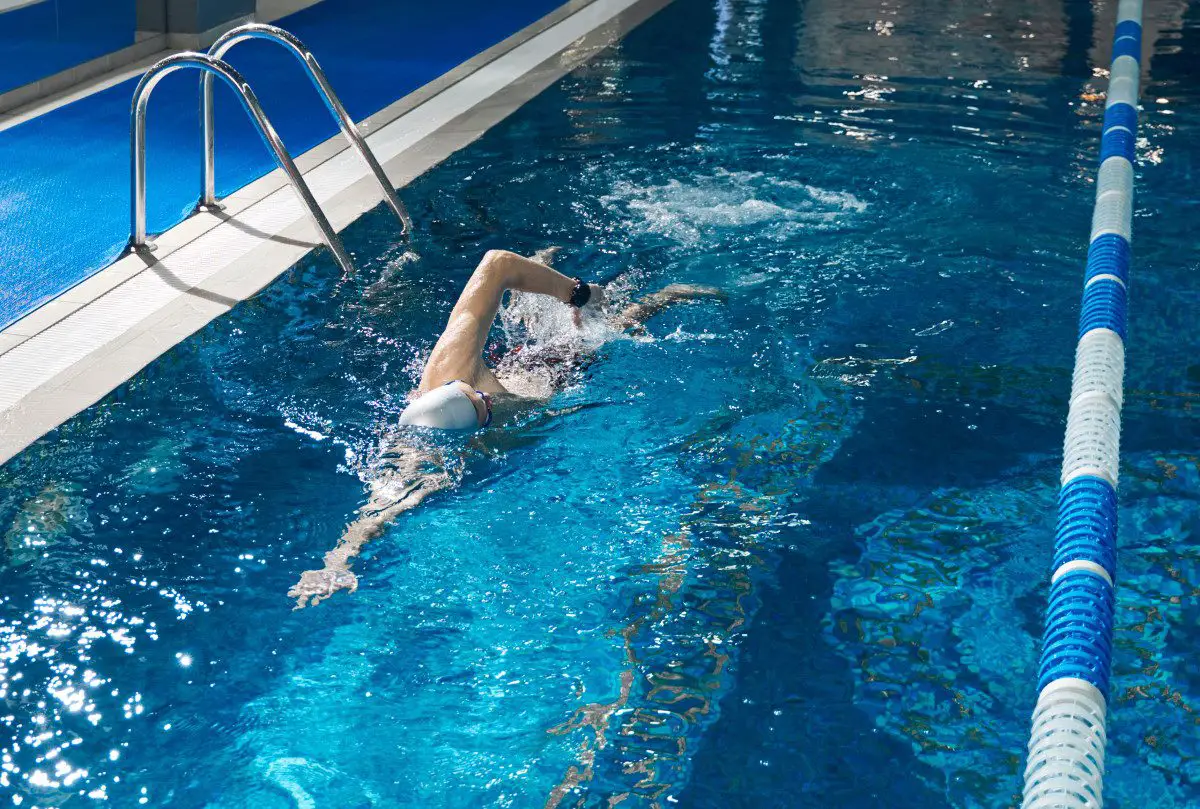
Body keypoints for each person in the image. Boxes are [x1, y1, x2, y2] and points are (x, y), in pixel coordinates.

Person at [288, 248, 721, 608]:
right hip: (557, 384)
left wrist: (580, 295)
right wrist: (337, 563)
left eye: (475, 391)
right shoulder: (438, 455)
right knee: (602, 339)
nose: (487, 395)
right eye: (482, 404)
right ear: (474, 424)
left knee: (575, 322)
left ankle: (555, 281)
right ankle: (667, 295)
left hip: (530, 368)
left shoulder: (449, 367)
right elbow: (383, 507)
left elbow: (495, 262)